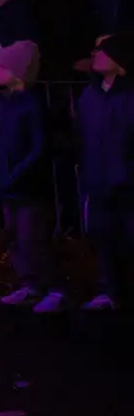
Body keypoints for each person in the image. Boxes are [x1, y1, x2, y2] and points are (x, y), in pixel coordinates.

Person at [0, 41, 64, 311]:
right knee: (13, 236)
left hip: (29, 184)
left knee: (32, 237)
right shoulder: (3, 104)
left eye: (1, 66)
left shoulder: (32, 105)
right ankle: (29, 283)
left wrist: (17, 172)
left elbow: (39, 146)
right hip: (9, 181)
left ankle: (54, 287)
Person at [73, 33, 133, 310]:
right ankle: (110, 289)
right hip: (98, 178)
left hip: (126, 181)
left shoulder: (128, 96)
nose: (95, 54)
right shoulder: (90, 95)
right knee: (104, 236)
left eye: (103, 51)